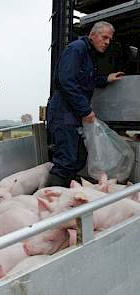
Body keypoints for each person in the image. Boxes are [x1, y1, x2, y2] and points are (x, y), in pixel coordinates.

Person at [46, 21, 124, 187]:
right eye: (104, 37)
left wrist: (106, 79)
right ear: (93, 34)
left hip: (73, 113)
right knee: (65, 161)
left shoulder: (89, 55)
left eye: (109, 39)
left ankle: (67, 198)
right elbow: (67, 81)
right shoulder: (77, 49)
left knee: (79, 158)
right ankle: (50, 203)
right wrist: (85, 110)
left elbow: (87, 80)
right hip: (64, 111)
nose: (107, 42)